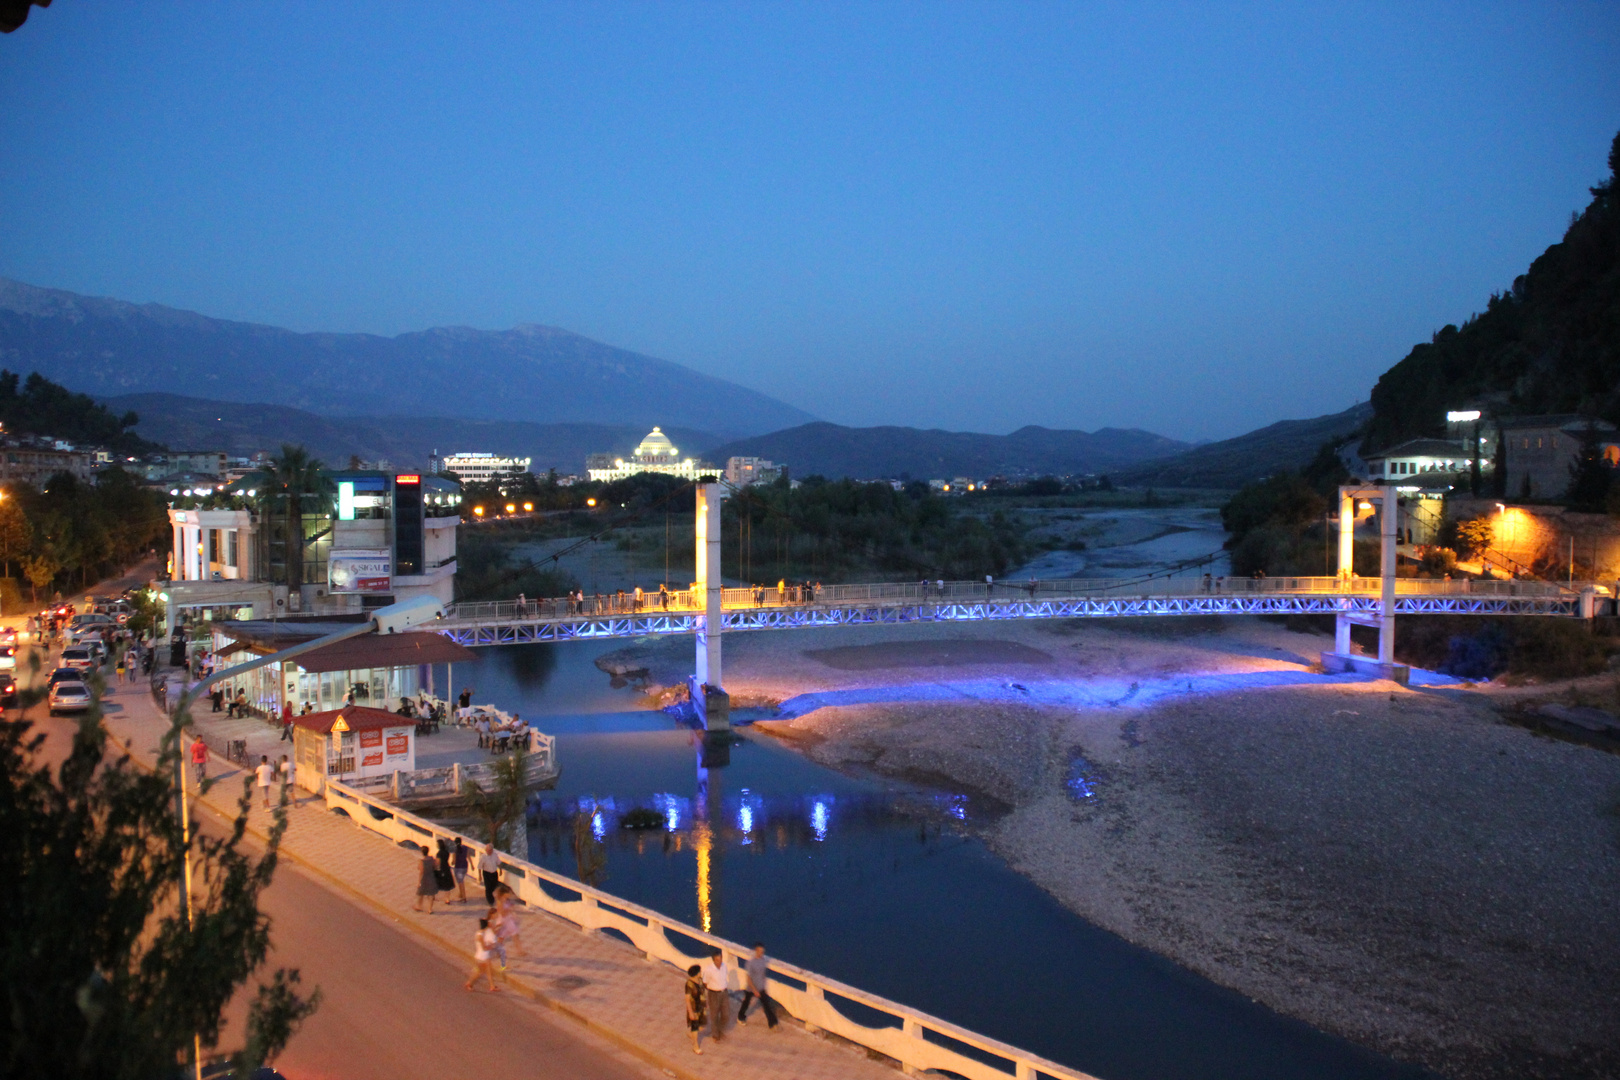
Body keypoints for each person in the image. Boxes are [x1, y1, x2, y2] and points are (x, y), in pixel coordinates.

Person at [737, 941, 779, 1029]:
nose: (761, 953)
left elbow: (762, 975)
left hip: (760, 988)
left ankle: (772, 1023)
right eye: (760, 951)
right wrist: (754, 990)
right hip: (751, 988)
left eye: (762, 951)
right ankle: (741, 1016)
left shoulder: (763, 961)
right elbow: (748, 978)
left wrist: (763, 987)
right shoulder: (751, 963)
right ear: (756, 950)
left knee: (766, 1004)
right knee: (746, 1003)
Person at [463, 915, 501, 993]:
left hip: (484, 956)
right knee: (479, 972)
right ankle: (469, 983)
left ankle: (492, 986)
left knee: (488, 970)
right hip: (481, 957)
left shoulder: (480, 933)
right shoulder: (480, 936)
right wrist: (490, 946)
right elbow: (484, 947)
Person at [700, 949, 731, 1043]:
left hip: (724, 992)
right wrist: (711, 990)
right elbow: (704, 982)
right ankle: (715, 1034)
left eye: (720, 959)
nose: (719, 962)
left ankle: (719, 1029)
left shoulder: (724, 966)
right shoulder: (709, 970)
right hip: (714, 994)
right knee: (714, 1015)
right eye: (717, 960)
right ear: (713, 960)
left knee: (726, 1014)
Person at [684, 964, 707, 1055]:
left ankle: (692, 1034)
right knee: (695, 1027)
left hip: (701, 1006)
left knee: (702, 1025)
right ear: (696, 973)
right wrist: (690, 1012)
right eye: (700, 972)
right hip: (694, 1009)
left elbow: (703, 992)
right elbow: (687, 999)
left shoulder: (700, 981)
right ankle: (695, 1046)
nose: (701, 973)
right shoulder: (689, 984)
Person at [413, 844, 439, 913]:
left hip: (424, 878)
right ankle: (430, 909)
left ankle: (418, 906)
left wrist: (419, 882)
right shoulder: (432, 859)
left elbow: (421, 871)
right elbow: (436, 867)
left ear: (422, 852)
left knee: (420, 892)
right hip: (432, 877)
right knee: (431, 894)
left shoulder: (422, 861)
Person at [452, 836, 471, 902]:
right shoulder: (465, 848)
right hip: (465, 867)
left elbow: (453, 862)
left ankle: (464, 897)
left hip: (458, 868)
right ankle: (461, 894)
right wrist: (472, 865)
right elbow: (468, 856)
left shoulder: (455, 850)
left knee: (460, 882)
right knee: (461, 881)